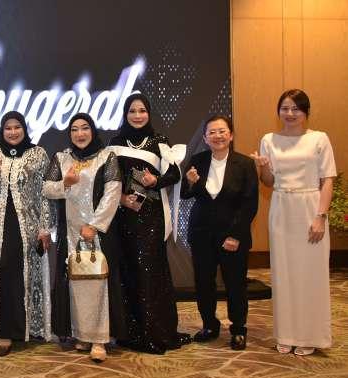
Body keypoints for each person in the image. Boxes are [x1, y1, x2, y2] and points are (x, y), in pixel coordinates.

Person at [251, 89, 336, 356]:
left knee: (311, 273)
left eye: (296, 109)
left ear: (305, 112)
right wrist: (263, 166)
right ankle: (287, 333)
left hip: (310, 207)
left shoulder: (319, 139)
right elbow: (268, 182)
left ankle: (311, 335)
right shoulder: (269, 140)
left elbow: (327, 180)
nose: (290, 113)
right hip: (281, 206)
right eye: (285, 108)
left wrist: (320, 216)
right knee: (283, 273)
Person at [107, 93, 191, 354]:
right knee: (128, 271)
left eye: (142, 110)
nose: (137, 115)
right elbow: (107, 179)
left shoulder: (159, 141)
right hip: (124, 216)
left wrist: (156, 181)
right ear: (125, 114)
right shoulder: (115, 142)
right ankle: (130, 333)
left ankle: (155, 332)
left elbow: (174, 174)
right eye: (132, 111)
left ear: (149, 113)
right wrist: (121, 199)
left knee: (150, 272)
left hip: (151, 217)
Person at [0, 111, 53, 356]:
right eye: (8, 128)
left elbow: (45, 193)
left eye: (17, 127)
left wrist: (45, 228)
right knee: (4, 271)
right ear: (2, 130)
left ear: (24, 129)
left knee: (22, 275)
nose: (13, 132)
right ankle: (4, 331)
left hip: (28, 226)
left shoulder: (38, 154)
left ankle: (25, 327)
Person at [43, 113, 121, 362]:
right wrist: (64, 183)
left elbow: (113, 192)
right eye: (74, 129)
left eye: (85, 128)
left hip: (97, 233)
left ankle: (99, 339)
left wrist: (95, 225)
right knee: (76, 282)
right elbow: (46, 188)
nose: (80, 134)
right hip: (70, 233)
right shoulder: (61, 158)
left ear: (92, 131)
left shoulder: (107, 157)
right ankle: (82, 335)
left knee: (99, 282)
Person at [180, 115, 258, 351]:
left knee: (235, 283)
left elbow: (249, 204)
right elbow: (185, 194)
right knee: (204, 282)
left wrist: (235, 235)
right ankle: (209, 325)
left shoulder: (244, 164)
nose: (217, 136)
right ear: (205, 138)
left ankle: (238, 329)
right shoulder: (198, 160)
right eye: (212, 132)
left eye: (222, 131)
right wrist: (190, 182)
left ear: (231, 135)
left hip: (232, 234)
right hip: (201, 233)